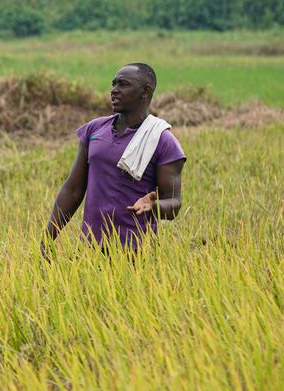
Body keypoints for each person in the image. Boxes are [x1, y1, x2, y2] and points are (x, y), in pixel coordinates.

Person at [42, 62, 186, 253]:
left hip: (138, 251)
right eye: (113, 84)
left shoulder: (163, 140)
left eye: (123, 85)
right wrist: (47, 238)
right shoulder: (94, 130)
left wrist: (153, 205)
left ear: (145, 91)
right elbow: (73, 189)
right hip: (90, 248)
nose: (114, 90)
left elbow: (174, 203)